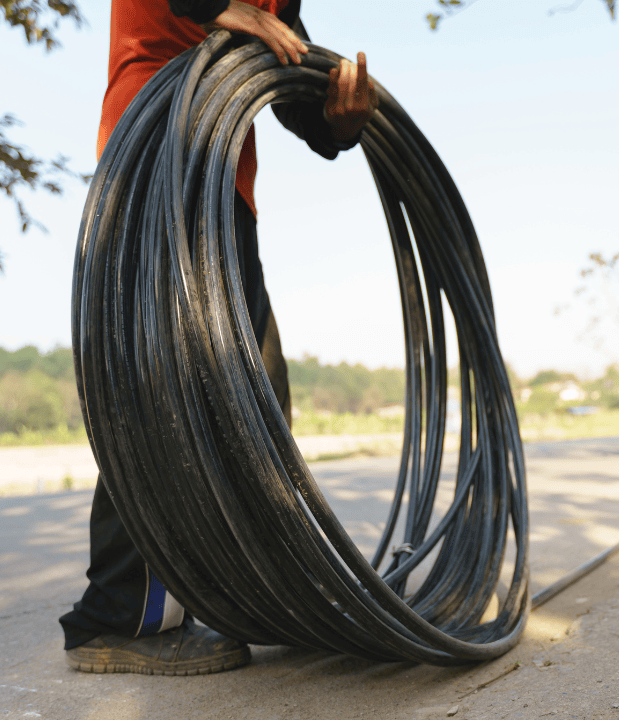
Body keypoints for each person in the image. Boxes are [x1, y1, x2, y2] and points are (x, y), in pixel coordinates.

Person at [58, 0, 379, 676]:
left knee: (253, 392)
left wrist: (337, 119)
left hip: (223, 180)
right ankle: (119, 617)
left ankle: (272, 596)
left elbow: (288, 75)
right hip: (156, 157)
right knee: (158, 390)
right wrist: (222, 10)